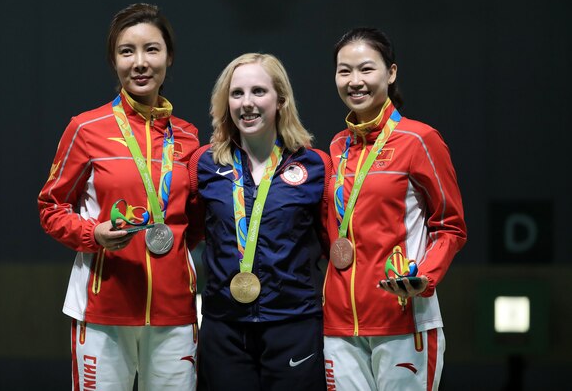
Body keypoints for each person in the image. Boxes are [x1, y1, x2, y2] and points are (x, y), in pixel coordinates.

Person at [37, 3, 200, 390]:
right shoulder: (86, 128)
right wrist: (93, 235)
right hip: (102, 308)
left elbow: (193, 222)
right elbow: (51, 206)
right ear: (114, 61)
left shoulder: (190, 137)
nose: (140, 62)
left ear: (169, 57)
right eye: (127, 51)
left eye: (152, 49)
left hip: (174, 311)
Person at [322, 27, 467, 391]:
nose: (355, 81)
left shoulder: (420, 140)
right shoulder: (337, 146)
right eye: (344, 71)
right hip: (340, 325)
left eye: (366, 69)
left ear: (391, 72)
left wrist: (423, 279)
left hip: (403, 320)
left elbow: (450, 226)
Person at [189, 53, 331, 391]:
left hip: (294, 326)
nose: (247, 103)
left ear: (281, 100)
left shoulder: (316, 166)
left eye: (258, 92)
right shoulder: (204, 164)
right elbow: (188, 234)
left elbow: (332, 242)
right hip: (224, 328)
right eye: (237, 93)